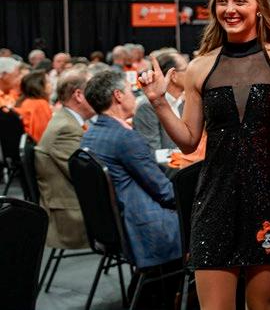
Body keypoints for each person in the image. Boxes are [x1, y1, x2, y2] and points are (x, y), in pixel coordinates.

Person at [139, 0, 270, 310]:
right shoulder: (200, 66)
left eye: (240, 0)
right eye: (222, 1)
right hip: (215, 199)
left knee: (264, 306)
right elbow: (188, 141)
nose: (230, 9)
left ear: (259, 7)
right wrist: (159, 102)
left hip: (269, 196)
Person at [81, 70, 181, 269]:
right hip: (146, 227)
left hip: (113, 224)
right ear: (118, 96)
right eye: (130, 91)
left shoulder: (90, 135)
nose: (135, 97)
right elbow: (165, 192)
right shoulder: (125, 138)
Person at [35, 67, 95, 249]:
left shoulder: (68, 120)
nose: (100, 96)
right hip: (74, 217)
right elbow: (89, 176)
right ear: (79, 95)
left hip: (77, 203)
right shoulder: (65, 129)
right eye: (94, 90)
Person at [133, 51, 188, 152]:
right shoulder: (147, 107)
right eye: (186, 69)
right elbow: (151, 152)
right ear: (173, 76)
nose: (191, 74)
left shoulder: (185, 102)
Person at [15, 69, 53, 143]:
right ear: (39, 86)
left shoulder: (24, 101)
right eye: (48, 82)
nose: (51, 84)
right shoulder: (40, 104)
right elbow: (42, 135)